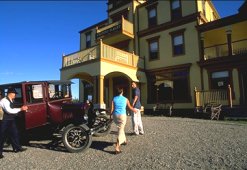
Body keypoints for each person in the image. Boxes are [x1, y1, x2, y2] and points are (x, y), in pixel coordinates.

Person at [0, 88, 28, 159]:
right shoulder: (4, 101)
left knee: (15, 133)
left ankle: (17, 148)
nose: (15, 95)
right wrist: (21, 109)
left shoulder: (12, 100)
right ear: (10, 93)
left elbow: (13, 108)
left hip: (11, 120)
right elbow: (9, 110)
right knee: (2, 136)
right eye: (14, 93)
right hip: (4, 121)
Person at [110, 87, 137, 154]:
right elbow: (130, 107)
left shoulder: (114, 99)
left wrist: (110, 116)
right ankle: (117, 147)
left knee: (121, 128)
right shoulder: (125, 99)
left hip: (115, 115)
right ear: (122, 92)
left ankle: (124, 140)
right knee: (120, 129)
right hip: (122, 116)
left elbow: (112, 109)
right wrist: (134, 110)